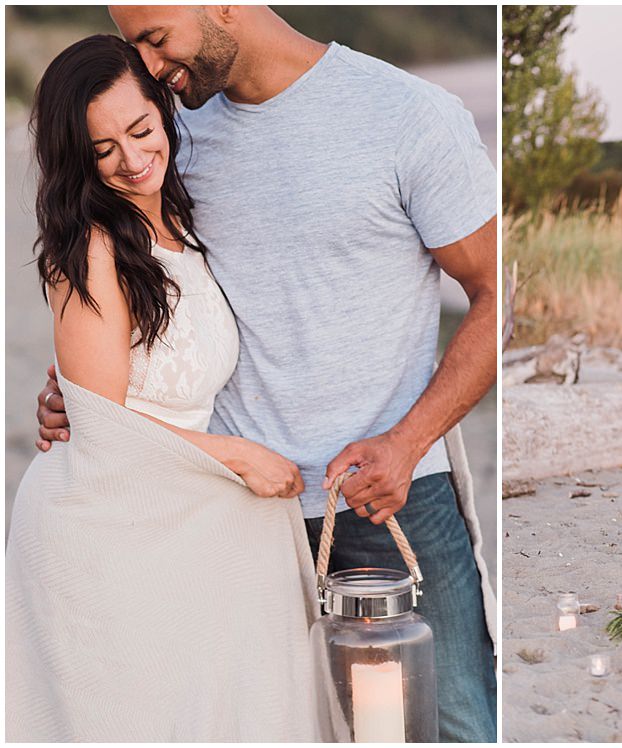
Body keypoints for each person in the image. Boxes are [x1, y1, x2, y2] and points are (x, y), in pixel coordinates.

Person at [35, 6, 498, 741]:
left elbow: (499, 296)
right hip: (233, 516)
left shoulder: (410, 115)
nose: (150, 68)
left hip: (390, 500)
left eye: (155, 40)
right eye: (137, 50)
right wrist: (84, 402)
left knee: (452, 725)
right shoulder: (169, 130)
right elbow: (125, 303)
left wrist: (408, 443)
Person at [7, 35, 319, 741]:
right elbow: (99, 425)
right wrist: (237, 455)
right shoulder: (89, 245)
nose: (131, 158)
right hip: (105, 525)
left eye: (141, 129)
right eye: (102, 149)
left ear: (162, 112)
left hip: (177, 511)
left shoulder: (180, 219)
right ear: (77, 160)